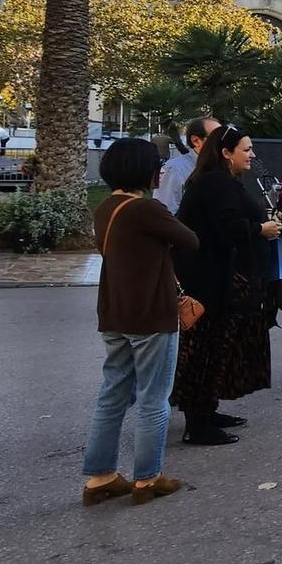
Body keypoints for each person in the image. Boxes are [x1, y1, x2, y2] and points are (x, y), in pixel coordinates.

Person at [83, 138, 198, 505]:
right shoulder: (147, 209)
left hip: (114, 312)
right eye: (157, 164)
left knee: (112, 394)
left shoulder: (106, 208)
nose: (160, 169)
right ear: (143, 170)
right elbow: (190, 240)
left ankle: (100, 477)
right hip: (150, 314)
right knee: (153, 397)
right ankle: (148, 477)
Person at [172, 125, 281, 447]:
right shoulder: (217, 182)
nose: (252, 154)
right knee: (206, 350)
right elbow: (229, 229)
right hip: (211, 283)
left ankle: (207, 410)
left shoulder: (220, 180)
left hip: (218, 279)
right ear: (225, 152)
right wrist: (261, 228)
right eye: (246, 149)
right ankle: (199, 421)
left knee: (217, 349)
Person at [154, 116, 220, 213]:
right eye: (217, 137)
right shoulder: (173, 169)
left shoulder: (223, 168)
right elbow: (164, 213)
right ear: (196, 141)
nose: (223, 142)